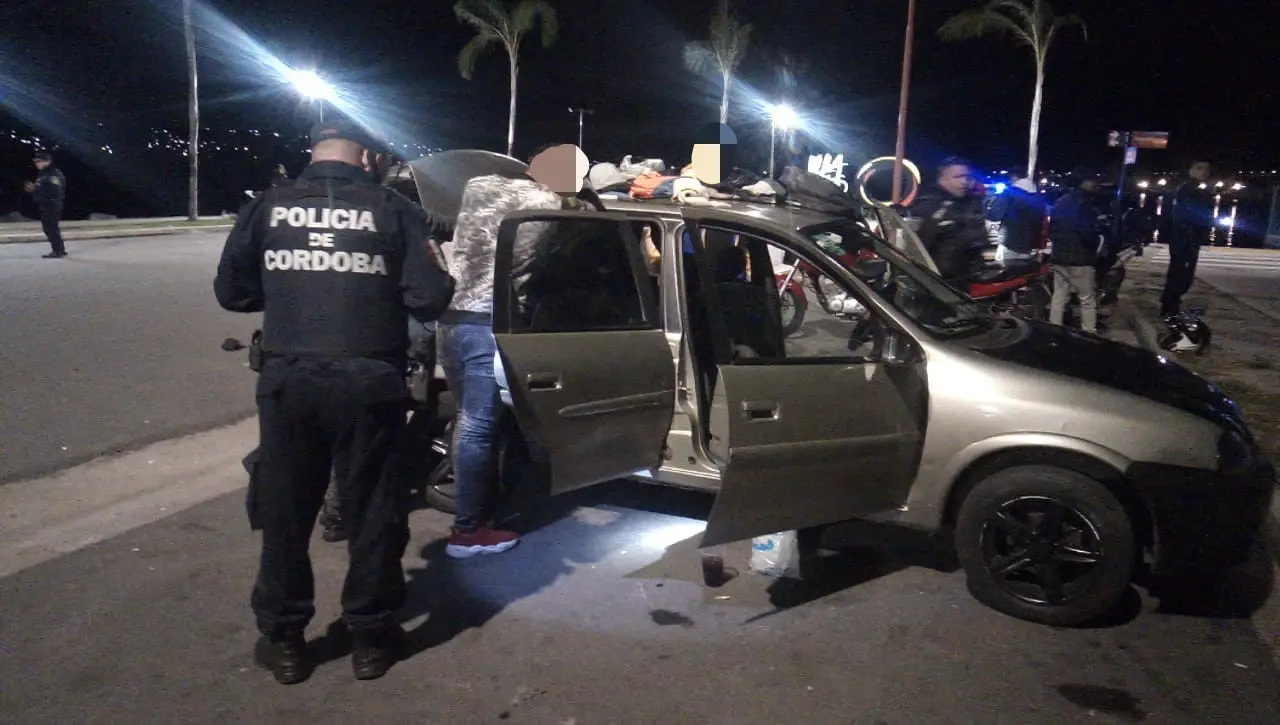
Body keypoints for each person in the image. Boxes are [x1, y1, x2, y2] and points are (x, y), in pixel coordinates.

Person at [214, 118, 455, 685]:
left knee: (286, 511)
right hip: (370, 383)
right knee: (372, 511)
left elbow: (233, 293)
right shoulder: (393, 209)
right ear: (367, 157)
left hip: (289, 382)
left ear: (315, 150)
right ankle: (371, 639)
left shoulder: (267, 206)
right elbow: (428, 298)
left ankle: (286, 641)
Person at [437, 143, 585, 559]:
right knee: (478, 427)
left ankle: (479, 508)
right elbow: (557, 255)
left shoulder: (478, 186)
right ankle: (468, 532)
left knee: (470, 421)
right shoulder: (549, 205)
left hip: (451, 318)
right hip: (489, 323)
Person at [910, 157, 988, 285]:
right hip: (936, 282)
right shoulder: (928, 204)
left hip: (967, 278)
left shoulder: (971, 203)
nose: (964, 181)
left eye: (967, 177)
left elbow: (978, 240)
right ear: (942, 179)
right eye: (958, 177)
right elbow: (915, 245)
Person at [1047, 168, 1103, 334]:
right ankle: (1089, 333)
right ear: (1083, 182)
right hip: (1080, 258)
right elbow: (1087, 232)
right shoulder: (1084, 204)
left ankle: (1054, 331)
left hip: (1059, 257)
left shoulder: (1060, 202)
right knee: (1087, 299)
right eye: (1092, 181)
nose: (1095, 184)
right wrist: (1096, 243)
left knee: (1059, 296)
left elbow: (1052, 229)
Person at [1160, 160, 1213, 317]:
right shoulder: (1188, 188)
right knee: (1181, 272)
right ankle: (1170, 306)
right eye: (1200, 168)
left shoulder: (1191, 188)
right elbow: (1184, 213)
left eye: (1206, 169)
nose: (1204, 172)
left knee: (1180, 271)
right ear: (1191, 171)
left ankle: (1170, 304)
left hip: (1186, 236)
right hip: (1185, 237)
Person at [987, 167, 1046, 265]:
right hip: (1030, 244)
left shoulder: (1009, 193)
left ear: (1014, 177)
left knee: (1006, 270)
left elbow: (994, 215)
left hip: (1010, 242)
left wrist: (990, 200)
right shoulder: (1037, 195)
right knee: (1024, 271)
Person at [24, 151, 67, 258]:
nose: (36, 163)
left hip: (51, 204)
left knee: (51, 228)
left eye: (39, 161)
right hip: (46, 204)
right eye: (35, 161)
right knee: (51, 228)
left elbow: (55, 191)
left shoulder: (54, 174)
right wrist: (34, 189)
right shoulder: (43, 173)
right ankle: (60, 249)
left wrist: (34, 189)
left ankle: (57, 251)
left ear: (47, 161)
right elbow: (43, 187)